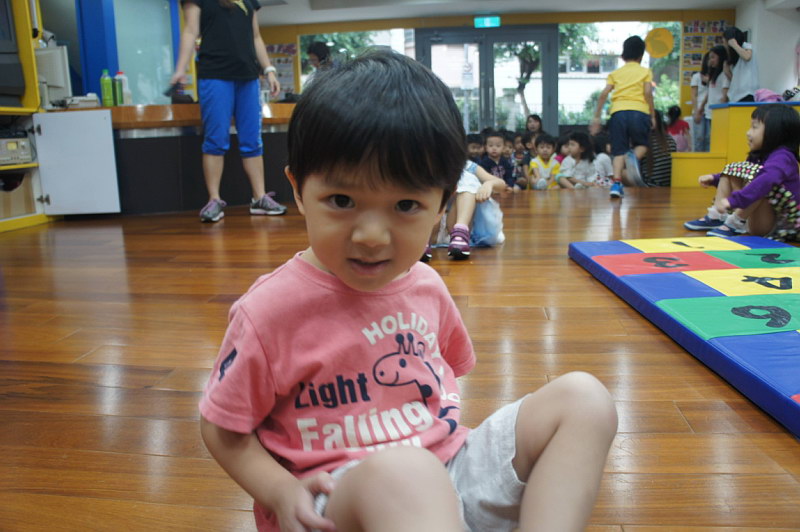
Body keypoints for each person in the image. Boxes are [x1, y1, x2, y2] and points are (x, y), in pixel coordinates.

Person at [198, 50, 618, 532]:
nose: (372, 235)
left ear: (443, 204)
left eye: (404, 205)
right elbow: (220, 426)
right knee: (408, 472)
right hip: (335, 497)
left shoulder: (426, 286)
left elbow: (442, 383)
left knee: (584, 399)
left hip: (448, 470)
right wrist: (278, 490)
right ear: (298, 189)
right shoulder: (269, 310)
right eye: (342, 200)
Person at [171, 0, 288, 223]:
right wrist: (180, 69)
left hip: (248, 76)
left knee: (252, 140)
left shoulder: (249, 2)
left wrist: (269, 70)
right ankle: (214, 200)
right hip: (214, 74)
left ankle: (259, 198)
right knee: (216, 139)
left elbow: (256, 37)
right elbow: (190, 31)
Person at [684, 104, 800, 241]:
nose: (748, 133)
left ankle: (735, 222)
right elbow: (742, 173)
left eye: (754, 127)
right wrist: (715, 178)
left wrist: (734, 201)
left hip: (780, 227)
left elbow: (765, 181)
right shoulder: (759, 155)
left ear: (776, 133)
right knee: (735, 169)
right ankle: (716, 216)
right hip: (758, 220)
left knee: (761, 181)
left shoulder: (783, 157)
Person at [593, 35, 656, 199]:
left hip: (618, 113)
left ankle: (616, 184)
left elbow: (603, 94)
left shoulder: (615, 73)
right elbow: (648, 93)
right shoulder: (645, 72)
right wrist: (652, 115)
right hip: (639, 112)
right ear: (641, 55)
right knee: (643, 144)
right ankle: (633, 156)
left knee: (618, 151)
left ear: (623, 55)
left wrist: (597, 117)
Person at [423, 160, 507, 261]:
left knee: (467, 177)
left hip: (455, 227)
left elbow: (502, 184)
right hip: (431, 227)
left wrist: (489, 184)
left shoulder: (467, 165)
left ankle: (460, 232)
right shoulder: (426, 162)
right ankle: (422, 239)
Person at [701, 46, 730, 149]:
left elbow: (724, 97)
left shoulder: (724, 75)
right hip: (710, 113)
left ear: (720, 57)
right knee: (710, 139)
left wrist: (721, 113)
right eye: (710, 58)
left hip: (718, 115)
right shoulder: (714, 75)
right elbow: (710, 93)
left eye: (713, 57)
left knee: (716, 140)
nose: (710, 61)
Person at [639, 110, 677, 187]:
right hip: (669, 184)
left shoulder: (642, 141)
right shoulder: (670, 139)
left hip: (650, 186)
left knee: (623, 172)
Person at [723, 26, 759, 103]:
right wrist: (727, 72)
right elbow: (735, 80)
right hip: (737, 96)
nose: (724, 43)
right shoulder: (734, 56)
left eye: (725, 40)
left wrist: (733, 44)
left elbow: (747, 57)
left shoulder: (746, 46)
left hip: (748, 94)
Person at [690, 53, 711, 152]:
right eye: (709, 59)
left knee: (709, 139)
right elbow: (693, 95)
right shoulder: (696, 77)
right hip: (699, 110)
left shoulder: (715, 78)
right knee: (699, 138)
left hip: (711, 111)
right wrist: (696, 111)